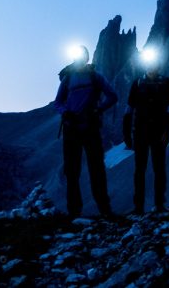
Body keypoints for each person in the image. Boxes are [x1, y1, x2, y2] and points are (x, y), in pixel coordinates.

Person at [54, 45, 117, 218]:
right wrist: (65, 112)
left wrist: (98, 110)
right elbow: (57, 102)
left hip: (89, 127)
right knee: (73, 170)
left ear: (87, 58)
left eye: (82, 55)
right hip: (72, 128)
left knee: (96, 168)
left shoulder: (95, 77)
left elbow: (113, 96)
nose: (80, 58)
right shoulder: (68, 78)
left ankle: (104, 209)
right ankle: (75, 211)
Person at [123, 50, 169, 214]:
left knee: (159, 169)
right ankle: (138, 207)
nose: (153, 68)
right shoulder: (137, 83)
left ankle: (159, 204)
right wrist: (126, 135)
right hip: (140, 132)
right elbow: (128, 110)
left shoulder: (166, 83)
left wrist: (167, 132)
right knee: (140, 170)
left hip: (158, 132)